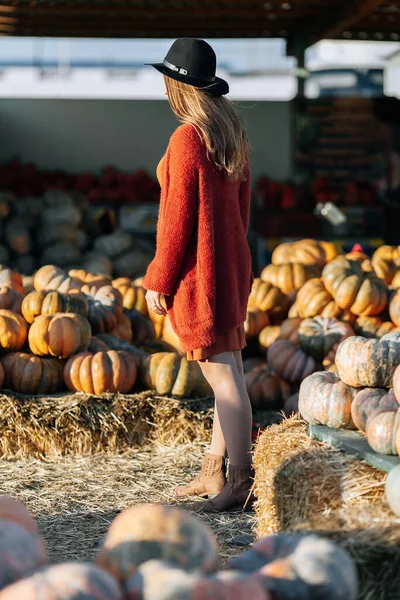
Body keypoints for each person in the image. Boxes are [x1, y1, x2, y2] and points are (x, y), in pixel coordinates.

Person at [143, 38, 254, 512]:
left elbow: (175, 220)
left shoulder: (187, 138)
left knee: (224, 379)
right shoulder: (228, 133)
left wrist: (158, 279)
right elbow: (243, 210)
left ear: (178, 87)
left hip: (201, 274)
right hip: (229, 267)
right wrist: (233, 258)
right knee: (229, 375)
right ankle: (214, 470)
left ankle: (242, 481)